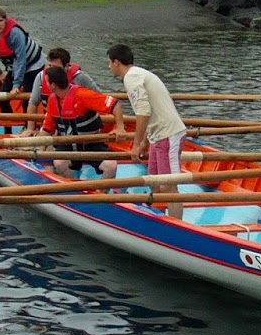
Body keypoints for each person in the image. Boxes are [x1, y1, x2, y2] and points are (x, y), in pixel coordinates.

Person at [106, 43, 186, 216]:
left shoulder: (131, 77)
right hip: (157, 135)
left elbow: (143, 112)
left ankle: (176, 223)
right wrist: (144, 142)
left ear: (116, 62)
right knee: (154, 181)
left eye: (109, 62)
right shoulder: (138, 74)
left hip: (168, 133)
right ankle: (158, 216)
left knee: (168, 185)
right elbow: (150, 112)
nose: (109, 66)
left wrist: (135, 145)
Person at [38, 64, 124, 178]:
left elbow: (114, 104)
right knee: (59, 163)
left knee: (111, 166)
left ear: (53, 85)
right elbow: (47, 129)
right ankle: (70, 186)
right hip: (68, 145)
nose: (45, 85)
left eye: (47, 82)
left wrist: (120, 128)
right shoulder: (52, 101)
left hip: (91, 144)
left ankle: (101, 189)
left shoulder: (83, 95)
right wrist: (39, 151)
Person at [0, 7, 45, 110]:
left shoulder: (15, 33)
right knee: (1, 99)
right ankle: (8, 120)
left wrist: (16, 85)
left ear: (6, 21)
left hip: (33, 64)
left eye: (0, 21)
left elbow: (21, 60)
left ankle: (28, 120)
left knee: (27, 101)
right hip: (14, 66)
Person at [27, 47, 100, 113]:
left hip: (78, 119)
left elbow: (98, 98)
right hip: (53, 118)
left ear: (66, 66)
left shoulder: (81, 77)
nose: (51, 70)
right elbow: (33, 103)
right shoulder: (41, 77)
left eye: (55, 67)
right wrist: (30, 124)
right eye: (50, 66)